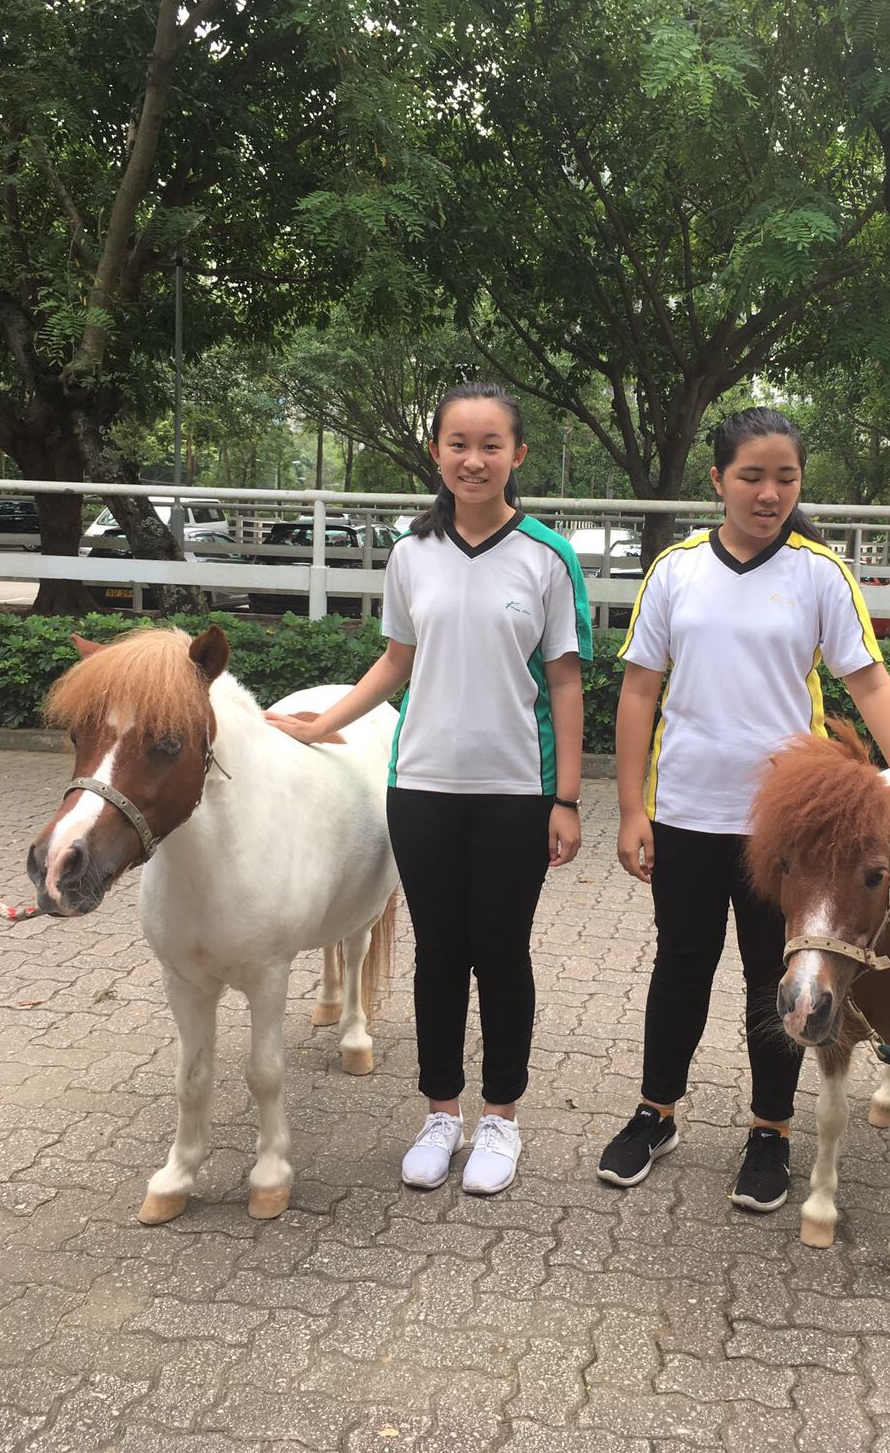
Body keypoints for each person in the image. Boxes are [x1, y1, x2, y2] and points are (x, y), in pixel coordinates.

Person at [596, 407, 890, 1211]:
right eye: (751, 477)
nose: (769, 493)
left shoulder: (819, 573)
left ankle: (771, 1130)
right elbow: (639, 690)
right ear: (718, 479)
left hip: (792, 833)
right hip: (686, 811)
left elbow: (870, 681)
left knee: (778, 975)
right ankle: (656, 1113)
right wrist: (630, 809)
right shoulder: (676, 570)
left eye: (785, 478)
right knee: (680, 965)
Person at [267, 383, 591, 1196]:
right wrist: (320, 723)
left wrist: (567, 798)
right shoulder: (412, 553)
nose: (473, 460)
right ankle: (441, 1113)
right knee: (439, 954)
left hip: (516, 792)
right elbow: (395, 662)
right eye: (458, 444)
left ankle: (501, 1118)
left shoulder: (548, 557)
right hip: (419, 789)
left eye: (490, 445)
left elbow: (564, 680)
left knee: (501, 954)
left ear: (517, 455)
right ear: (436, 452)